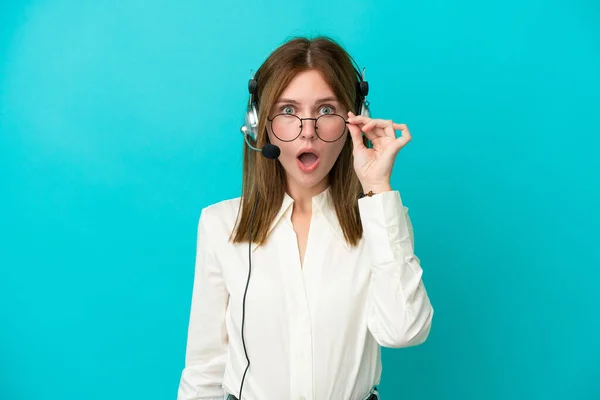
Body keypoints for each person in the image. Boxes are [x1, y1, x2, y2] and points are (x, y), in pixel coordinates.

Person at [177, 36, 434, 400]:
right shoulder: (221, 225)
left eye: (327, 110)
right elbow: (205, 369)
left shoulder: (381, 221)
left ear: (353, 121)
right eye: (288, 110)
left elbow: (404, 331)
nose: (308, 130)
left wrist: (377, 187)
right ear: (259, 124)